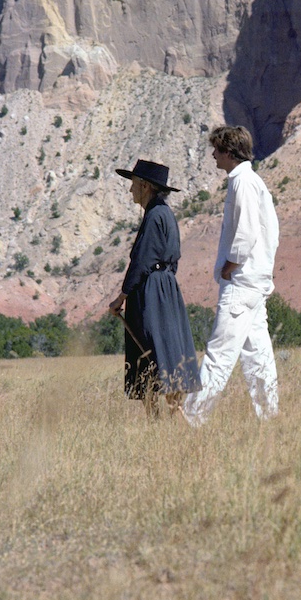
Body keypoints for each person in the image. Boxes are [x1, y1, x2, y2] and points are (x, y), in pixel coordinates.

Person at [183, 125, 279, 426]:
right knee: (258, 357)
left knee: (219, 353)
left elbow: (247, 231)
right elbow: (270, 236)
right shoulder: (252, 181)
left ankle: (192, 417)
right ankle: (269, 417)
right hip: (254, 283)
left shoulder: (243, 182)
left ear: (228, 151)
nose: (213, 155)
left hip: (241, 283)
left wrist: (231, 265)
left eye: (216, 149)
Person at [109, 158, 201, 416]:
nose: (130, 190)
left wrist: (121, 297)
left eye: (133, 185)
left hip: (151, 293)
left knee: (152, 351)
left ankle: (163, 418)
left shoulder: (155, 216)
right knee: (167, 350)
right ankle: (166, 418)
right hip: (166, 288)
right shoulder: (165, 214)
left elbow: (141, 261)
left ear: (145, 186)